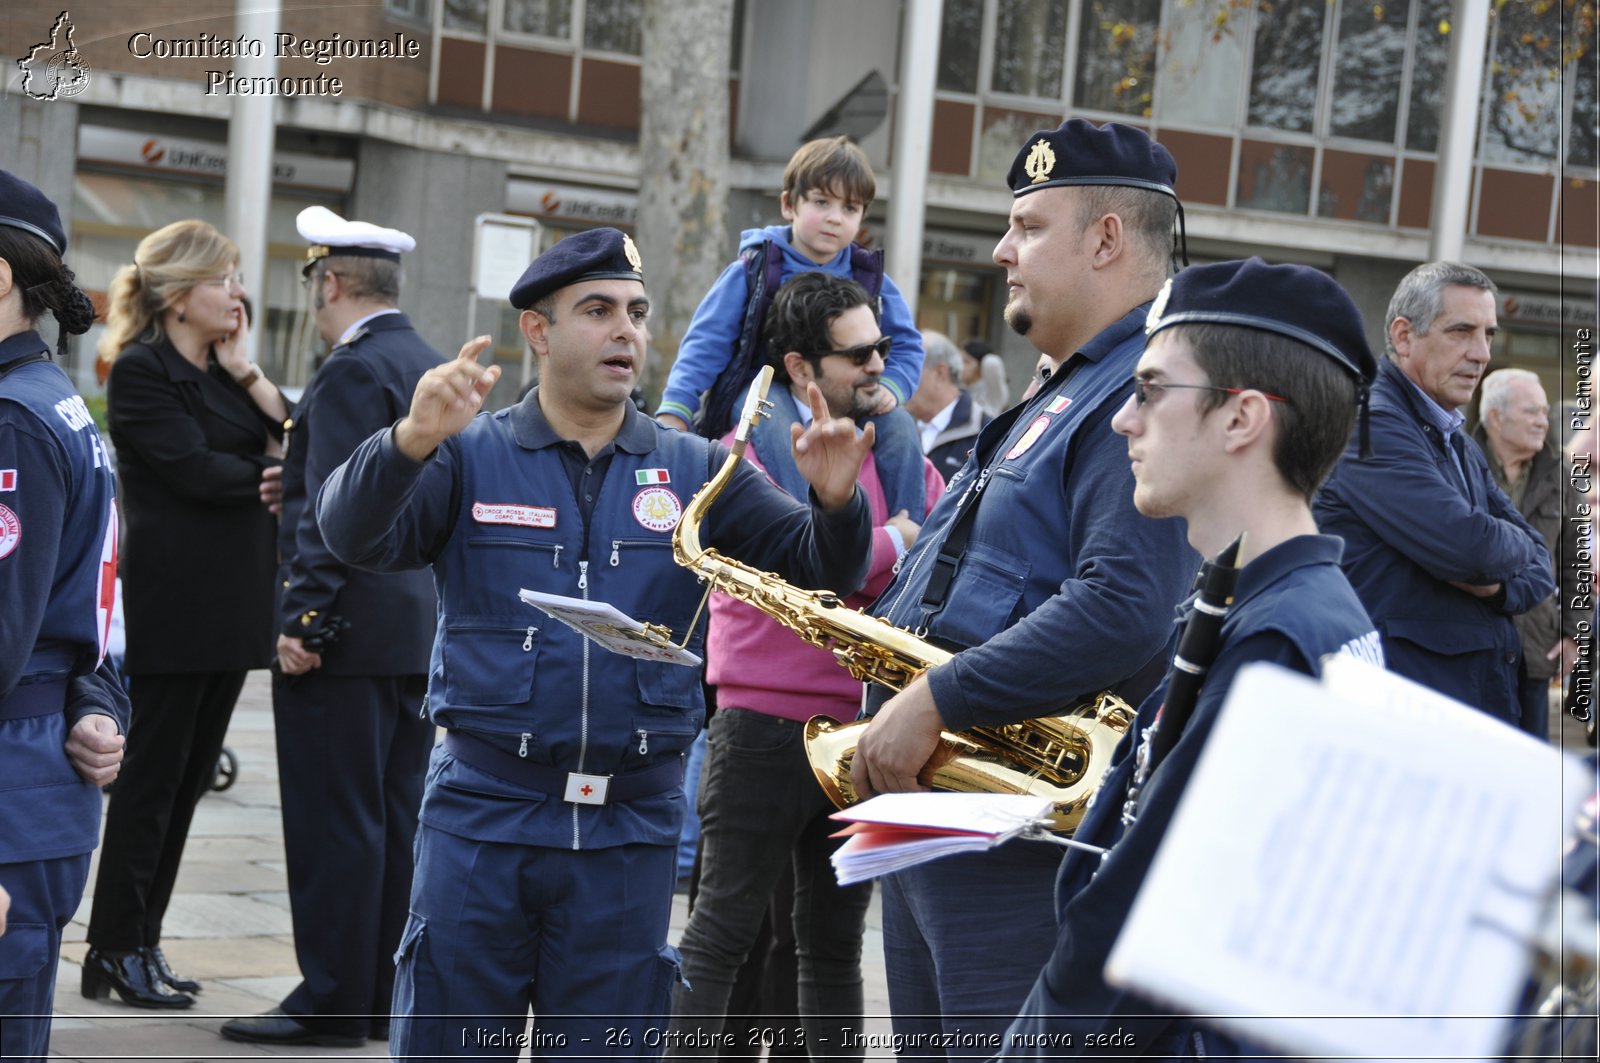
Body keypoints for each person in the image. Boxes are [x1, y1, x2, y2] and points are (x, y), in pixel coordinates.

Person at [314, 227, 875, 1056]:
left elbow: (816, 568)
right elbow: (350, 533)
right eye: (599, 310)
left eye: (638, 313)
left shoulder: (693, 468)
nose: (627, 331)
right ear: (538, 331)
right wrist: (409, 441)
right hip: (484, 816)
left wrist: (836, 500)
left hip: (629, 832)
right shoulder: (471, 454)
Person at [847, 119, 1200, 1049]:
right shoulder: (1068, 386)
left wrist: (937, 693)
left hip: (1022, 843)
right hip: (950, 819)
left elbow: (1124, 605)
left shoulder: (1146, 389)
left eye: (1029, 226)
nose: (1003, 250)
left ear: (1107, 240)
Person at [995, 258, 1385, 1056]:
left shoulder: (1280, 637)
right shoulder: (1279, 606)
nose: (1121, 422)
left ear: (1241, 419)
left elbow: (1144, 924)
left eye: (1149, 390)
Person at [668, 273, 946, 1051]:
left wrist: (888, 544)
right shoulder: (738, 453)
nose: (877, 368)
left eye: (882, 350)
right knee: (720, 933)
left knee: (827, 948)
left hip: (860, 734)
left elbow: (937, 557)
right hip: (759, 726)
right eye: (857, 354)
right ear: (799, 367)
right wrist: (892, 538)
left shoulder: (895, 452)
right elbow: (836, 564)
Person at [219, 210, 446, 1047]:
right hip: (410, 631)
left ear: (332, 284)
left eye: (317, 287)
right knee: (391, 822)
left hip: (345, 633)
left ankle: (331, 999)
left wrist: (305, 619)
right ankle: (379, 995)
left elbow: (332, 515)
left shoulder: (352, 368)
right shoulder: (422, 359)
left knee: (335, 824)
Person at [84, 219, 288, 1008]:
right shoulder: (139, 371)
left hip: (231, 609)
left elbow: (295, 441)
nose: (237, 292)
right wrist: (262, 476)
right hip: (175, 607)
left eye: (237, 277)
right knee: (151, 784)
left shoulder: (222, 372)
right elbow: (195, 471)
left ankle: (146, 940)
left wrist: (247, 375)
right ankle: (112, 947)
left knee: (190, 782)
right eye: (224, 278)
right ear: (176, 295)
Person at [0, 169, 129, 1062]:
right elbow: (101, 602)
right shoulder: (53, 402)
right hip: (37, 778)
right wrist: (101, 702)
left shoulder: (13, 420)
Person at [1315, 262, 1553, 724]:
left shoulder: (1456, 439)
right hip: (1401, 713)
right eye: (1462, 331)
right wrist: (1505, 554)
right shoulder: (1372, 425)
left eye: (1488, 334)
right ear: (1404, 336)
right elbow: (1472, 549)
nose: (1481, 353)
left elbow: (1540, 564)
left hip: (1455, 704)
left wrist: (1498, 583)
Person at [654, 135, 926, 521]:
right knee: (771, 418)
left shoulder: (870, 279)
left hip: (844, 394)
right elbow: (705, 343)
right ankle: (802, 527)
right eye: (821, 202)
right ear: (788, 204)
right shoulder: (754, 270)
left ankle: (909, 535)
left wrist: (892, 388)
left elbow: (908, 346)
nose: (835, 217)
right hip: (763, 387)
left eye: (850, 207)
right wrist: (676, 409)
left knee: (899, 425)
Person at [1471, 368, 1582, 741]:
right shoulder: (1460, 463)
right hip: (1473, 645)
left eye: (1544, 413)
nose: (1542, 422)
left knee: (1532, 757)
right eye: (1531, 412)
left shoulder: (1561, 474)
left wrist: (1573, 635)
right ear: (1497, 418)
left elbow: (1575, 561)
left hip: (1536, 647)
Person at [905, 329, 990, 483]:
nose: (901, 379)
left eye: (909, 369)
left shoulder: (987, 434)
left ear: (939, 373)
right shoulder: (900, 427)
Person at [960, 338, 1008, 415]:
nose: (961, 366)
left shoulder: (992, 392)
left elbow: (991, 361)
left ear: (982, 364)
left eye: (966, 361)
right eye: (960, 361)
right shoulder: (961, 390)